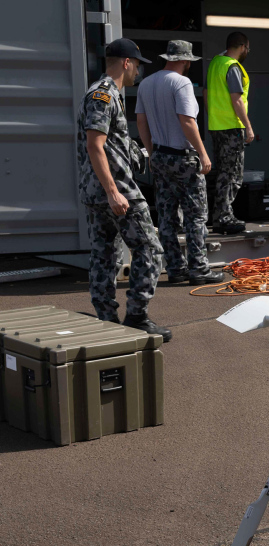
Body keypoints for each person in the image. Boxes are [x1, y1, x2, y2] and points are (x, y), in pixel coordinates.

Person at [77, 38, 171, 342]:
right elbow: (95, 144)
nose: (137, 74)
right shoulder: (103, 95)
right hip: (116, 191)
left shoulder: (108, 94)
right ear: (126, 62)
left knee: (106, 255)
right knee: (150, 247)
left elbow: (108, 143)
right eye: (137, 66)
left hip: (99, 192)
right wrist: (113, 191)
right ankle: (137, 316)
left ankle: (106, 320)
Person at [136, 40, 225, 287]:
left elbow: (141, 122)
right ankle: (199, 268)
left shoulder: (146, 83)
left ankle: (175, 269)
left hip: (161, 156)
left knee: (166, 216)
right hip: (184, 158)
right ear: (185, 61)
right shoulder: (181, 82)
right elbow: (187, 121)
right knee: (195, 216)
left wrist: (152, 152)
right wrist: (203, 154)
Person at [206, 31, 253, 235]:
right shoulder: (232, 67)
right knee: (232, 174)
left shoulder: (215, 62)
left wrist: (214, 116)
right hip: (231, 127)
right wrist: (248, 126)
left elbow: (206, 94)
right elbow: (237, 100)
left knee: (223, 172)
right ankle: (224, 217)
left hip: (217, 126)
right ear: (242, 46)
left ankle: (221, 215)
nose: (247, 52)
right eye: (247, 48)